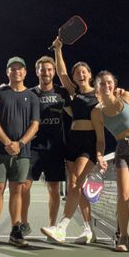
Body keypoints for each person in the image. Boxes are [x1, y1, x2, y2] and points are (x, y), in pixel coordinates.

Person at [41, 38, 107, 243]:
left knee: (76, 181)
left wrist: (100, 152)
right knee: (76, 187)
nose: (80, 74)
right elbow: (61, 73)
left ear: (89, 74)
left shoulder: (99, 96)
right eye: (77, 72)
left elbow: (105, 124)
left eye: (83, 71)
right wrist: (58, 50)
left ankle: (62, 227)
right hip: (72, 141)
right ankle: (88, 230)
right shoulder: (74, 93)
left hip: (88, 142)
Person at [20, 55, 91, 240]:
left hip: (56, 147)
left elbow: (77, 109)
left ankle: (52, 226)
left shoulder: (62, 93)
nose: (46, 72)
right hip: (33, 147)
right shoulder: (30, 93)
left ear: (53, 72)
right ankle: (23, 225)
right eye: (43, 69)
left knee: (53, 188)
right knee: (24, 186)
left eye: (49, 69)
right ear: (37, 72)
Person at [0, 56, 40, 247]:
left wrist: (19, 144)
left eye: (19, 68)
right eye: (12, 69)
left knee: (17, 191)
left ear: (25, 72)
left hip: (23, 152)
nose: (16, 71)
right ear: (7, 72)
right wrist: (7, 142)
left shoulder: (32, 97)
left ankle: (15, 231)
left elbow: (35, 125)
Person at [95, 70, 129, 253]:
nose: (106, 86)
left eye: (109, 82)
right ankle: (124, 237)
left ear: (114, 83)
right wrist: (99, 156)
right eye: (102, 83)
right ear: (97, 87)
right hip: (122, 150)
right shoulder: (97, 113)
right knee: (124, 194)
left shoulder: (125, 96)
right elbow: (101, 141)